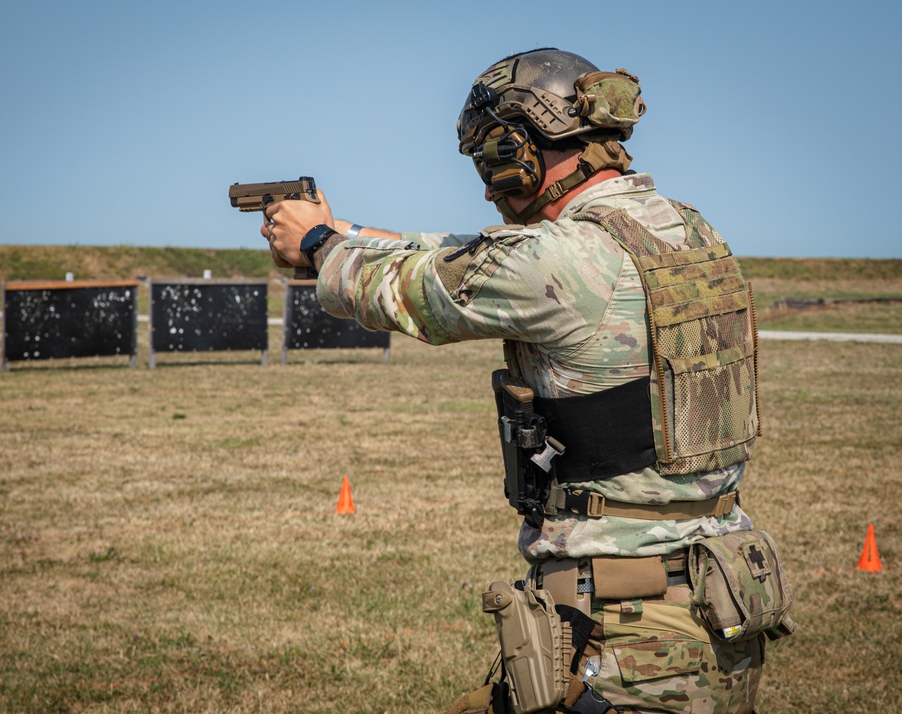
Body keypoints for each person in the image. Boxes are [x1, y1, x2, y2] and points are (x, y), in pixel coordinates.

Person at [262, 48, 793, 714]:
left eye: (492, 160)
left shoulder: (556, 258)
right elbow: (474, 253)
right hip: (715, 597)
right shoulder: (683, 229)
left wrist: (318, 248)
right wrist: (342, 229)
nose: (487, 187)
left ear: (526, 143)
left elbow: (405, 290)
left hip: (628, 633)